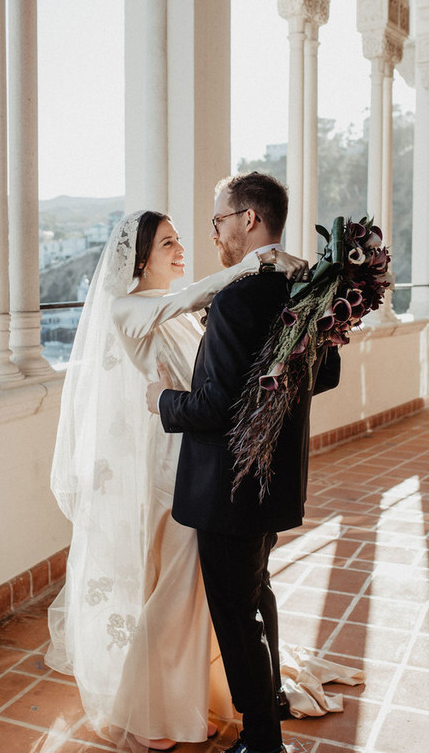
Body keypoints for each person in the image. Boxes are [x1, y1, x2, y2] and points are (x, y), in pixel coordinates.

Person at [46, 208, 308, 751]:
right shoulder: (128, 309)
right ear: (140, 257)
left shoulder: (187, 308)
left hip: (203, 454)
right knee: (179, 585)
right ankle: (158, 707)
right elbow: (179, 301)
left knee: (207, 589)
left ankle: (214, 693)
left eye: (178, 240)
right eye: (167, 243)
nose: (180, 248)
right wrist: (251, 265)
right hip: (170, 465)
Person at [147, 172, 342, 753]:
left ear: (250, 220)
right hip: (275, 483)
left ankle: (262, 739)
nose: (214, 234)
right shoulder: (304, 287)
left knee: (236, 616)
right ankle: (272, 700)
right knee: (258, 595)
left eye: (218, 220)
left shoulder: (235, 298)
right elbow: (324, 374)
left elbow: (213, 406)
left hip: (228, 490)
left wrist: (162, 401)